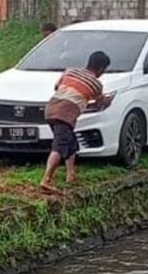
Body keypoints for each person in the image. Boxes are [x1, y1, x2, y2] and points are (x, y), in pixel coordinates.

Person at [40, 51, 110, 195]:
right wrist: (107, 101)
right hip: (65, 114)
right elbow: (100, 101)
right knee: (59, 146)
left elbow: (57, 87)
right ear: (101, 68)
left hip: (51, 109)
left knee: (70, 143)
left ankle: (71, 175)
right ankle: (46, 180)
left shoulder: (70, 71)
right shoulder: (96, 84)